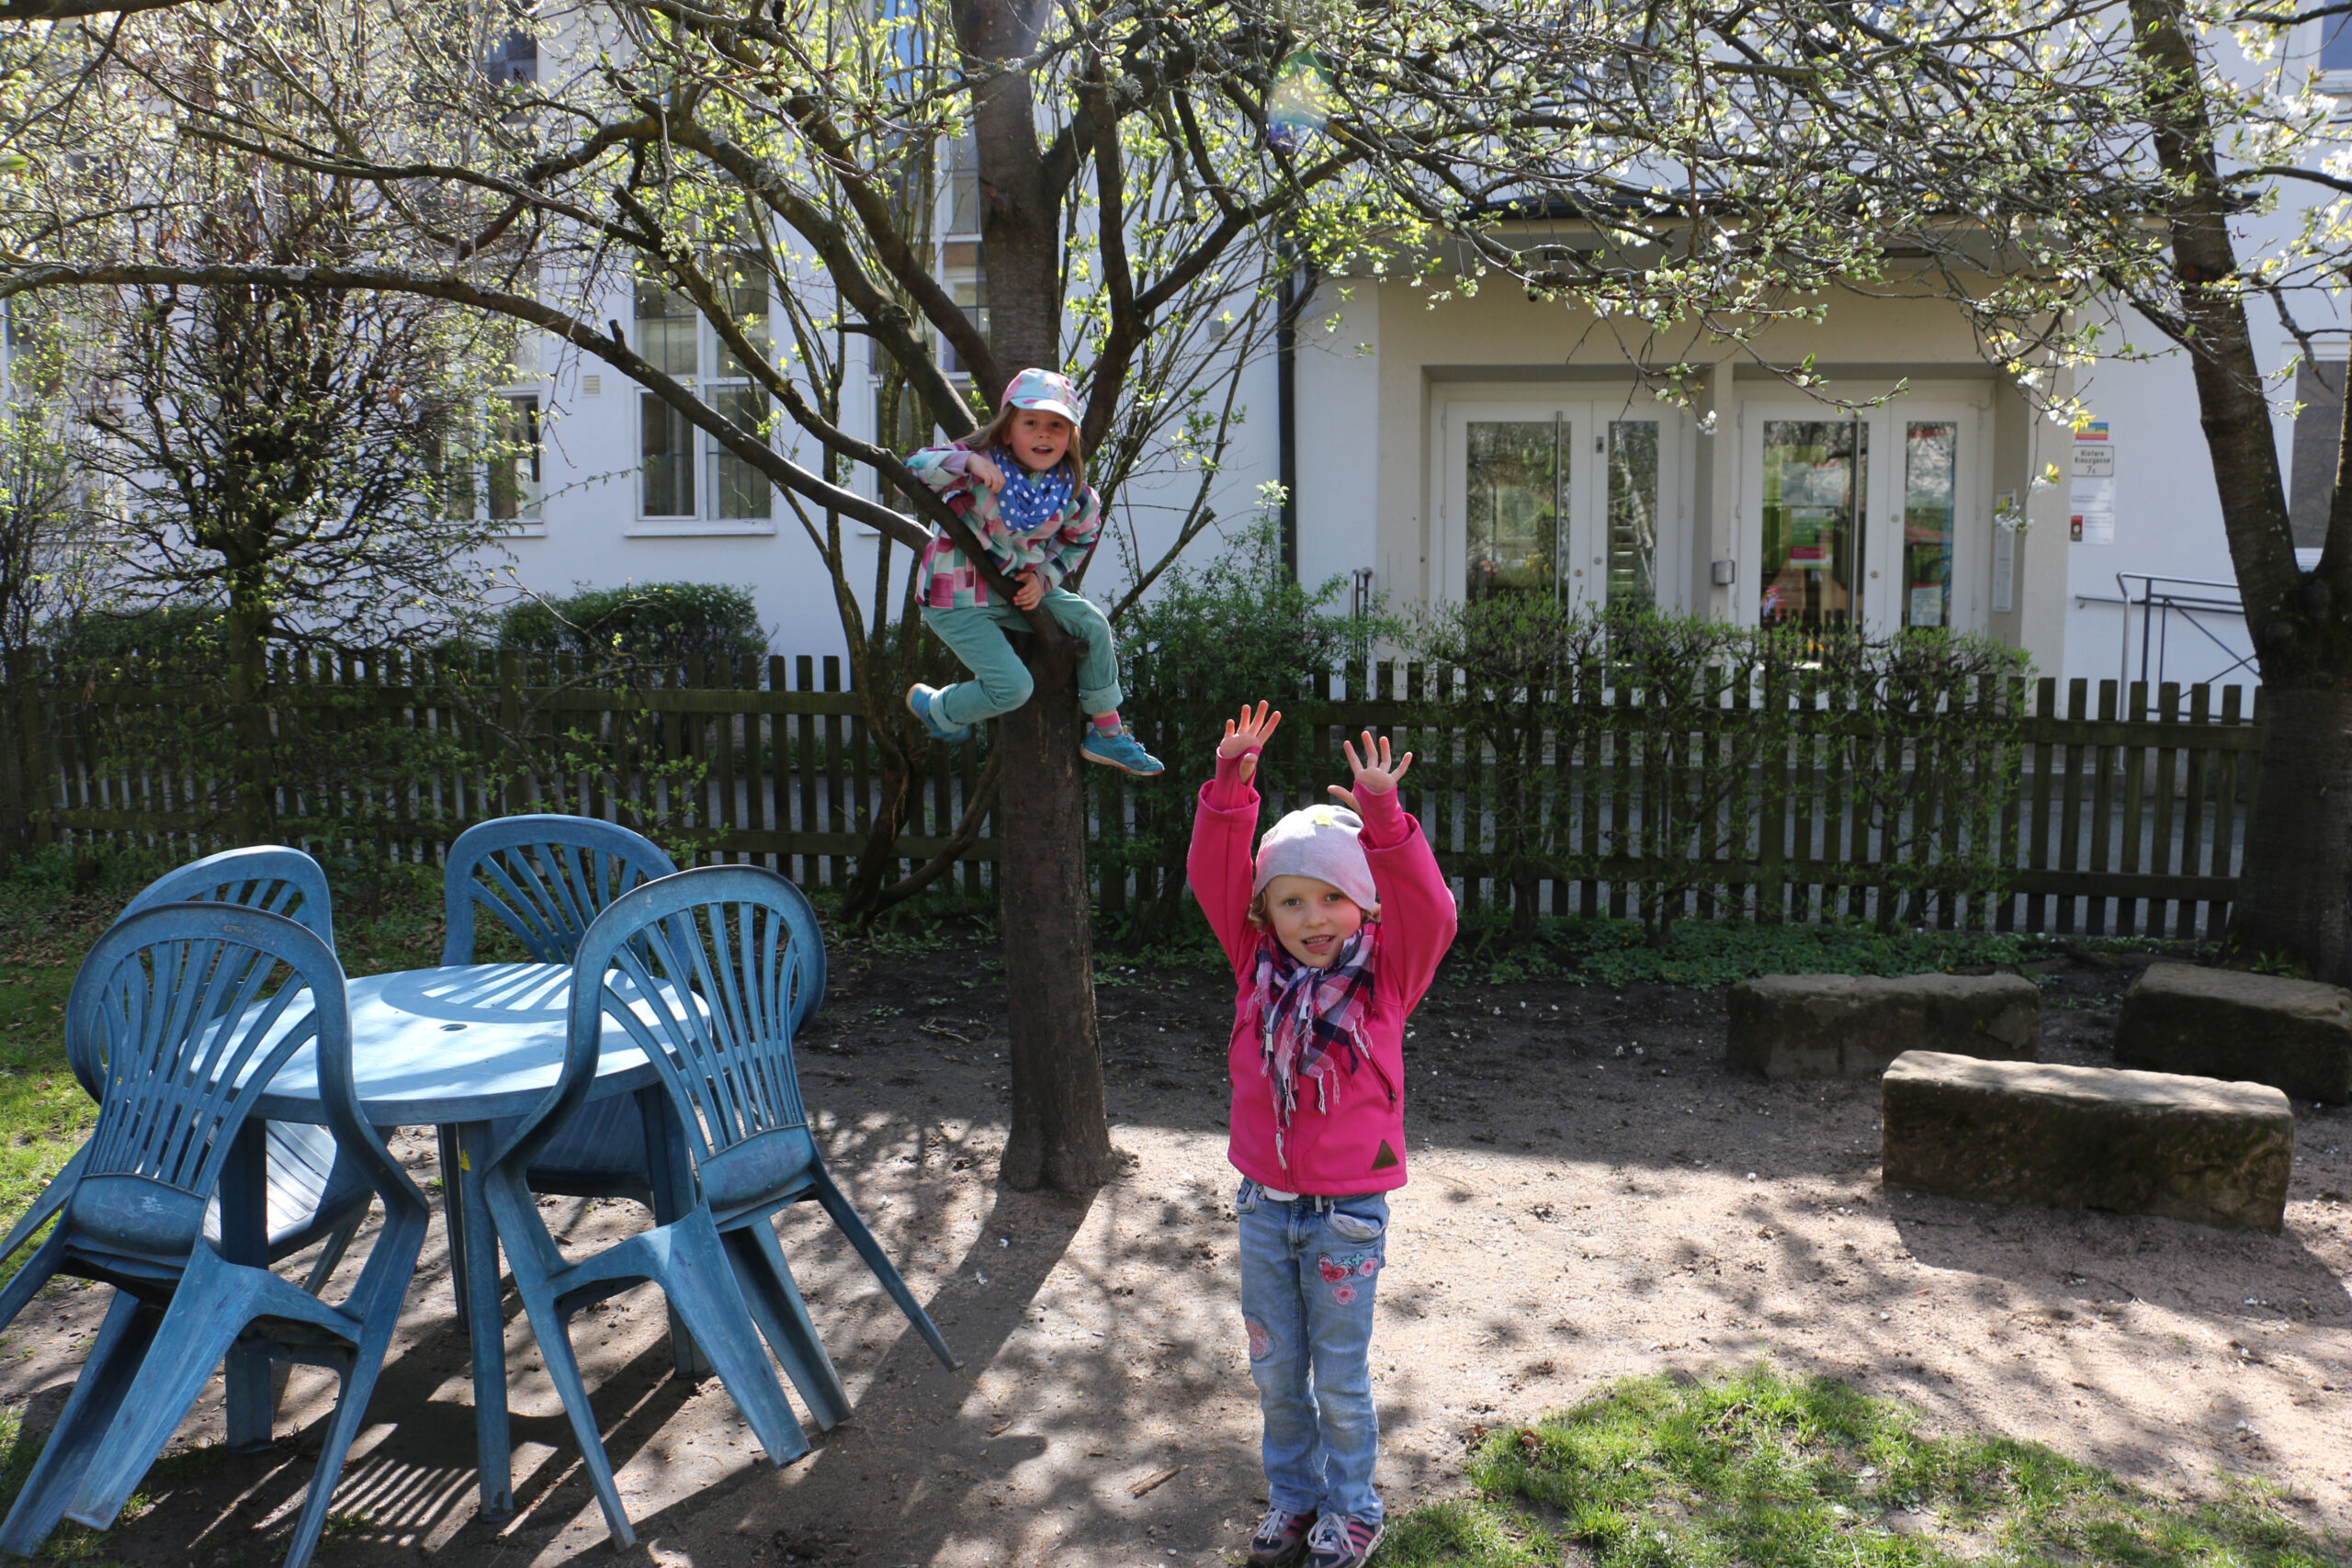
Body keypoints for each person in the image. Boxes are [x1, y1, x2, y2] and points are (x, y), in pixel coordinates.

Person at [1188, 702, 1458, 1568]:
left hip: (1347, 1212)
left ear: (1363, 906)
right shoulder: (1254, 963)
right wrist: (1231, 789)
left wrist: (1384, 819)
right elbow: (1214, 874)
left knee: (1338, 1378)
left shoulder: (1387, 978)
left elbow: (1432, 910)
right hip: (1265, 1204)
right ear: (1266, 910)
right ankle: (1296, 1500)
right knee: (1274, 1370)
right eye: (1291, 899)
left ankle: (1355, 1509)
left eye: (1332, 897)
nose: (1313, 917)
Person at [899, 367, 1162, 776]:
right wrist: (964, 460)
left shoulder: (1071, 492)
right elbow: (909, 471)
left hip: (1013, 590)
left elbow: (1078, 540)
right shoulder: (980, 466)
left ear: (1070, 436)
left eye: (1056, 425)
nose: (1044, 434)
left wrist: (1044, 579)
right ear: (1007, 430)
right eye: (1032, 423)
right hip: (957, 597)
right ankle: (939, 709)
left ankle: (1107, 735)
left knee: (1091, 623)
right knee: (1014, 688)